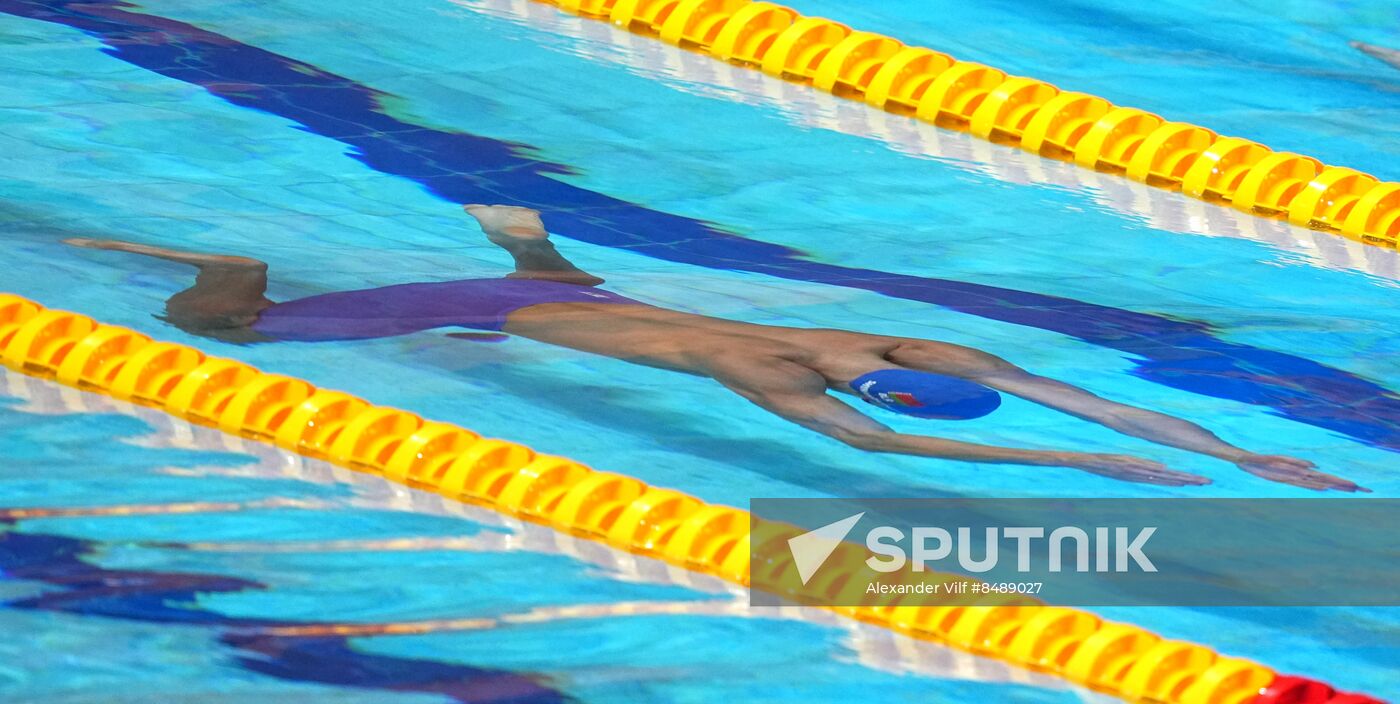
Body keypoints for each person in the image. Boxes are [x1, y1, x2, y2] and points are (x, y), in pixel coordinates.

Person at [65, 205, 1364, 491]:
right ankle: (197, 254)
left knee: (559, 296)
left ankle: (524, 241)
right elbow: (897, 450)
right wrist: (1114, 473)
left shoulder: (880, 338)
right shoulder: (771, 374)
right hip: (473, 312)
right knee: (235, 327)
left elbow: (1100, 406)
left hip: (545, 295)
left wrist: (1251, 460)